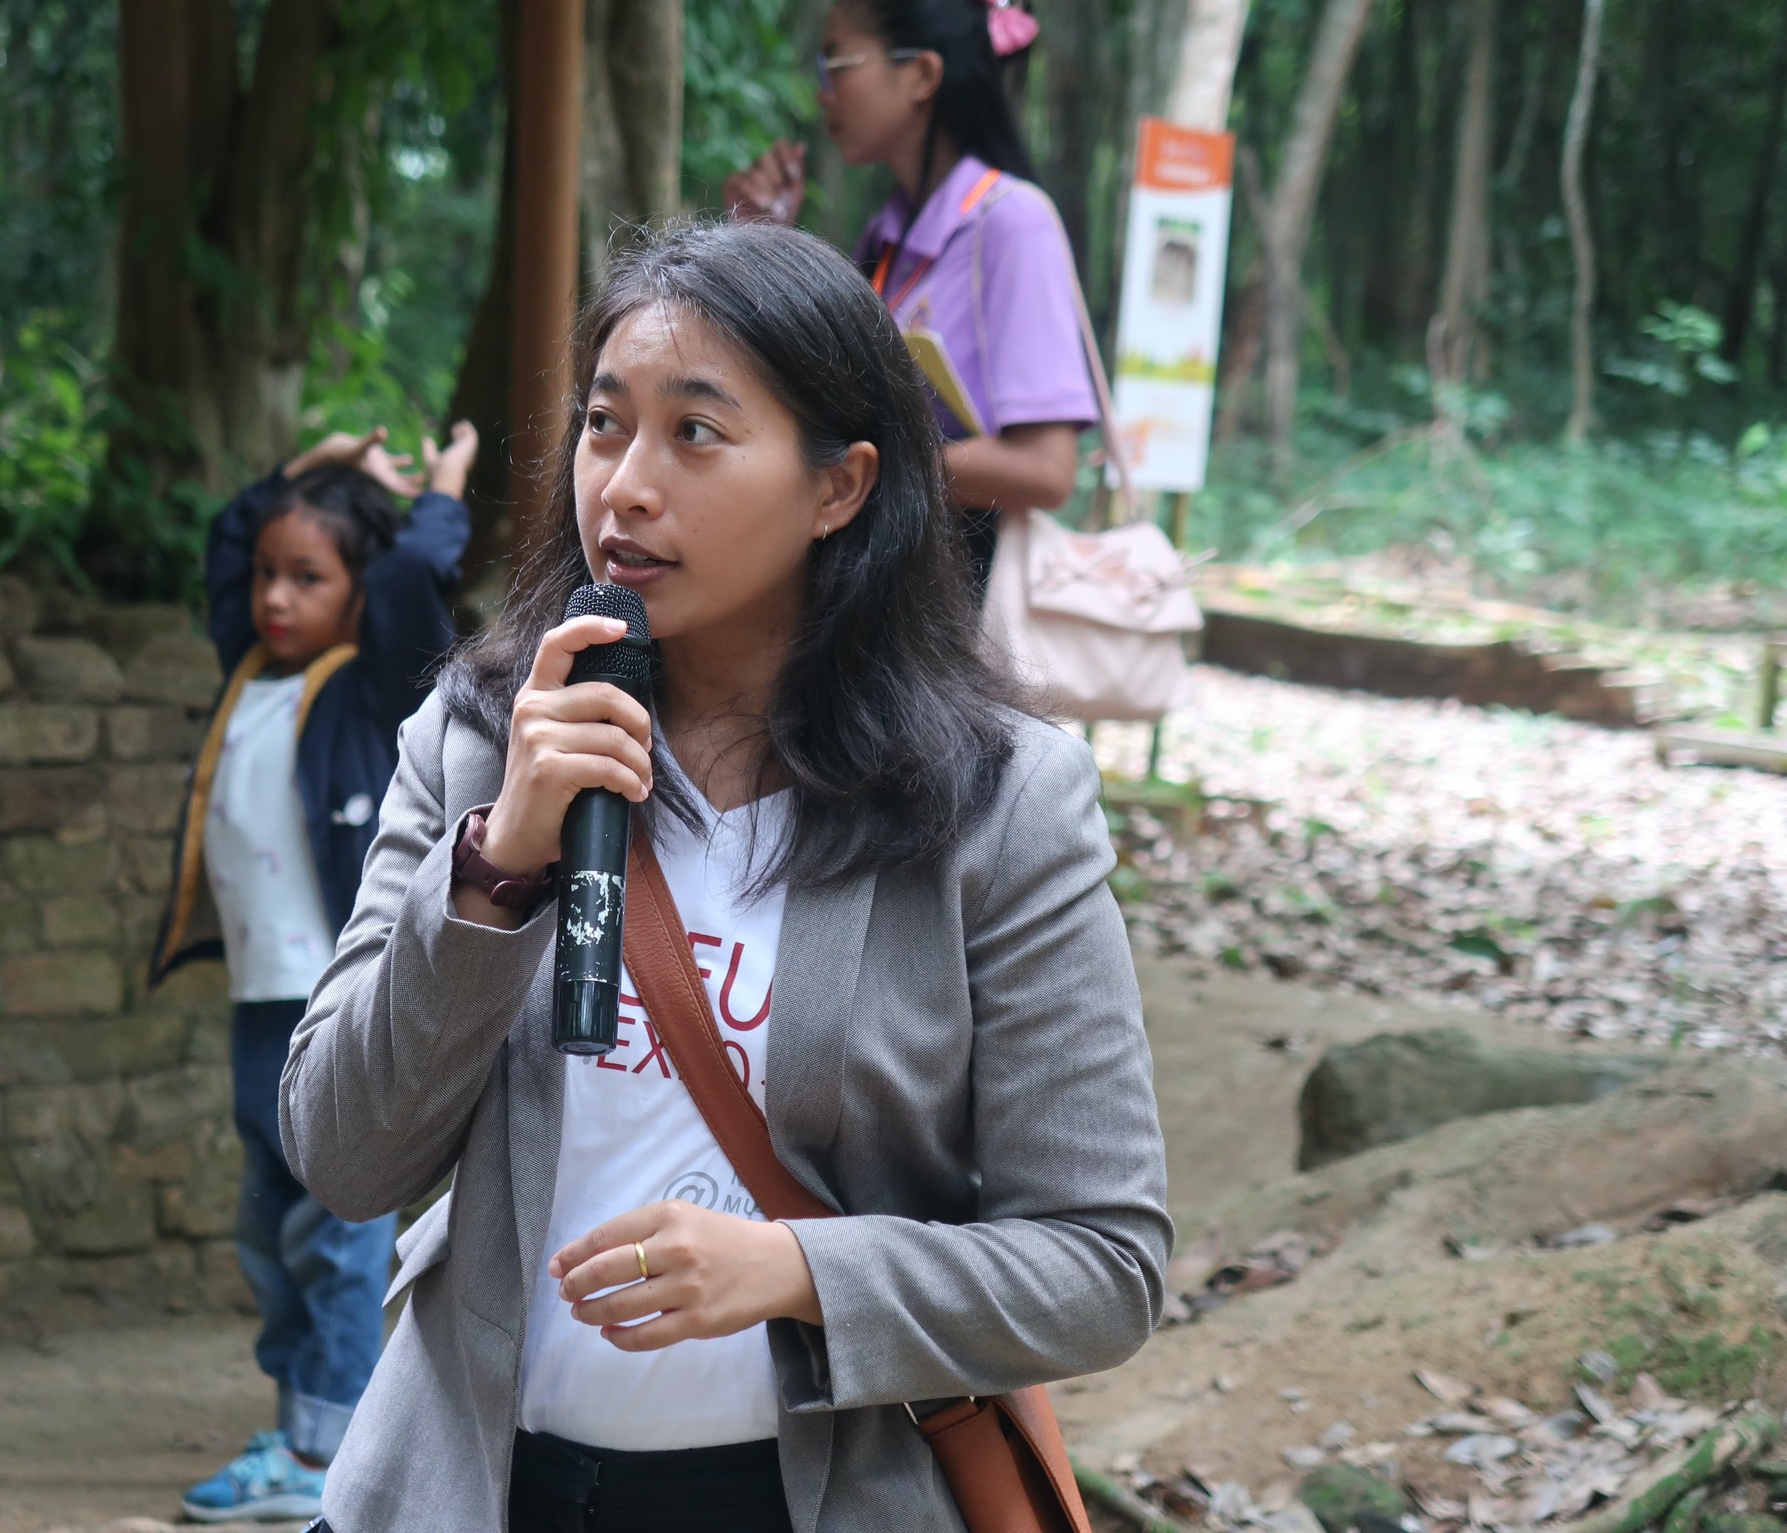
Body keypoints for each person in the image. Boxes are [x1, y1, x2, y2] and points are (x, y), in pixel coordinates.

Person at [279, 220, 1169, 1533]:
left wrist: (800, 1270)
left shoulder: (995, 803)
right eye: (604, 425)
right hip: (470, 1488)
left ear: (838, 487)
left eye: (695, 433)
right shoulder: (479, 738)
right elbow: (343, 1157)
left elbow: (1102, 1266)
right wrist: (496, 869)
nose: (625, 488)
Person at [148, 420, 478, 1524]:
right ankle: (303, 1421)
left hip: (337, 1002)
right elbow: (224, 539)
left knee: (338, 1231)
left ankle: (324, 1446)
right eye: (267, 576)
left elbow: (416, 572)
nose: (274, 597)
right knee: (268, 1228)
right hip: (258, 1000)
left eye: (308, 578)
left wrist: (440, 488)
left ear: (357, 594)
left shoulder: (370, 689)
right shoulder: (247, 670)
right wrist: (310, 471)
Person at [724, 0, 1134, 596]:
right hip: (893, 593)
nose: (823, 92)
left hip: (967, 604)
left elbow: (1045, 470)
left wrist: (866, 471)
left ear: (921, 74)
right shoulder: (885, 235)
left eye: (836, 64)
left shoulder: (1012, 223)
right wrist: (765, 243)